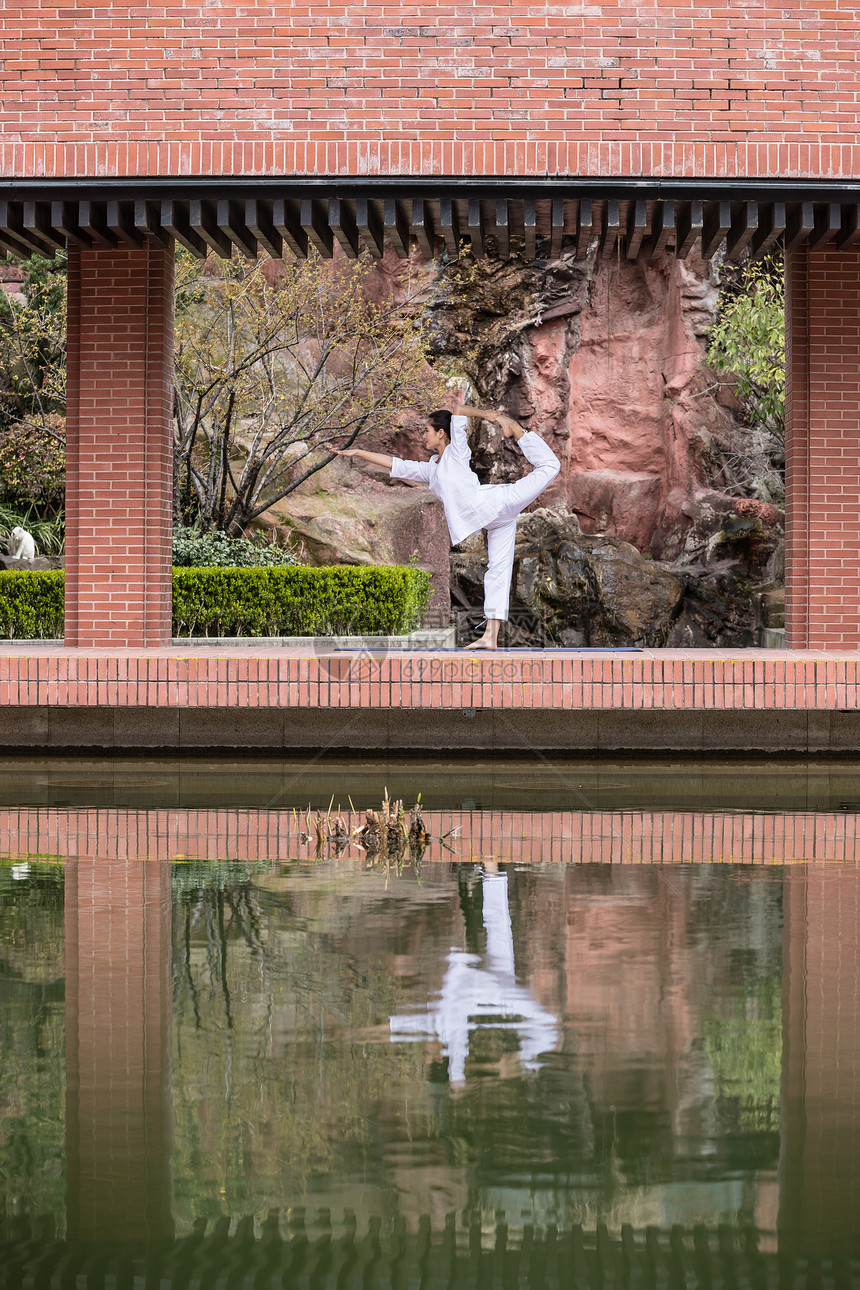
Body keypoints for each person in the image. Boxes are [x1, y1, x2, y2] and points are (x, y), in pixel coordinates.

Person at [333, 405, 560, 649]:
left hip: (499, 501)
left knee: (550, 466)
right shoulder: (431, 470)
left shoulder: (457, 451)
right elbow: (395, 464)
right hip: (494, 519)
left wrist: (495, 417)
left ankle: (517, 430)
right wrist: (359, 453)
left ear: (442, 432)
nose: (424, 436)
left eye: (427, 430)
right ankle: (490, 637)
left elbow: (460, 410)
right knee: (498, 569)